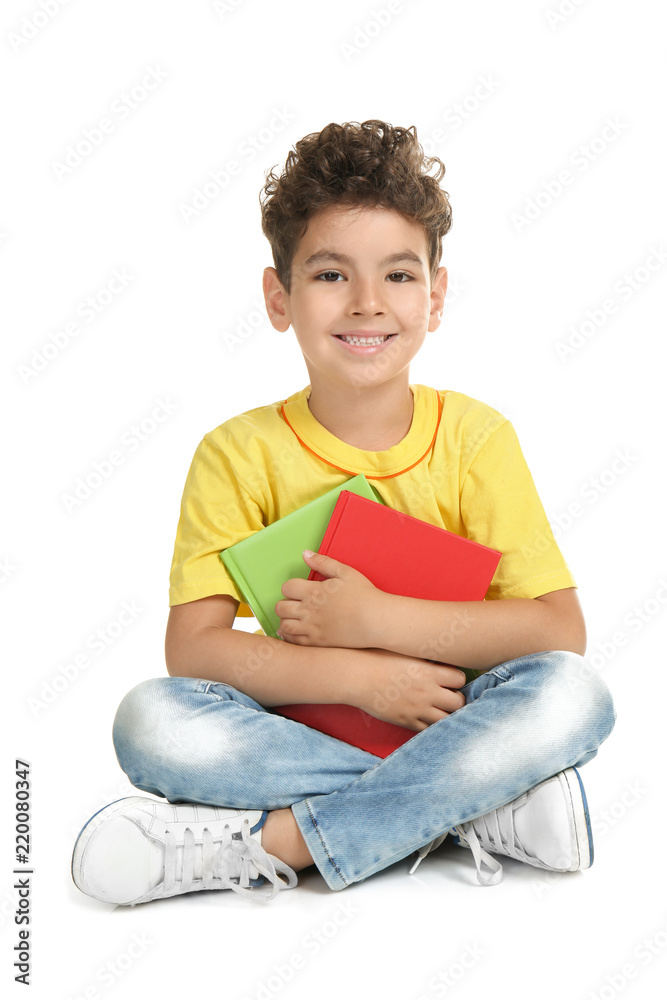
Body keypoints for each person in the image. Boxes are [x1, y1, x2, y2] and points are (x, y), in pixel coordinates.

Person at [71, 120, 615, 906]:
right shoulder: (235, 452)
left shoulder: (476, 437)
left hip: (453, 716)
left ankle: (271, 843)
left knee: (573, 694)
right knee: (151, 720)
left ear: (435, 297)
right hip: (302, 729)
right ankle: (482, 806)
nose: (367, 304)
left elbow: (558, 632)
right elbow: (192, 650)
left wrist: (374, 619)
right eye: (330, 275)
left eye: (398, 275)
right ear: (277, 297)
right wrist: (360, 679)